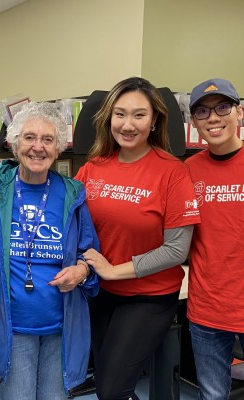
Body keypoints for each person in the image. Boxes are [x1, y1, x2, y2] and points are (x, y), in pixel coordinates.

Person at [75, 77, 201, 400]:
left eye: (139, 115)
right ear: (109, 118)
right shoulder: (93, 168)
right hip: (100, 294)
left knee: (110, 389)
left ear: (154, 120)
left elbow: (176, 250)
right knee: (111, 382)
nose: (127, 124)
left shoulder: (173, 172)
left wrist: (115, 269)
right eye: (120, 114)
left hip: (148, 296)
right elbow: (70, 222)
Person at [0, 101, 100, 399]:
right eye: (29, 137)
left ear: (58, 147)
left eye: (48, 139)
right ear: (14, 143)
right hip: (13, 326)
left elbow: (91, 252)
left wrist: (82, 270)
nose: (38, 147)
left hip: (62, 327)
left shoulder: (72, 193)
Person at [185, 78, 244, 400]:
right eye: (203, 112)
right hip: (207, 307)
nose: (213, 118)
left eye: (222, 107)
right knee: (212, 395)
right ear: (194, 122)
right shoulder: (188, 170)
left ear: (239, 112)